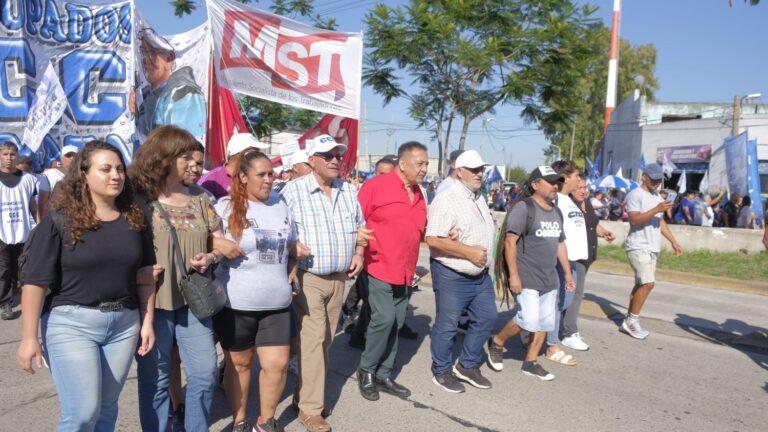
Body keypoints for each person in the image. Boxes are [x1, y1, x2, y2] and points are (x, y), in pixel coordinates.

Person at [16, 140, 157, 430]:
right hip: (71, 325)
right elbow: (35, 282)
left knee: (106, 411)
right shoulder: (58, 221)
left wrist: (147, 321)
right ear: (84, 175)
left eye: (119, 168)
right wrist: (29, 338)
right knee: (82, 413)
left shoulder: (135, 219)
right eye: (105, 169)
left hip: (124, 325)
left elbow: (145, 274)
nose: (115, 175)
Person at [131, 126, 226, 431]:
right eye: (186, 158)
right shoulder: (138, 199)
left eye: (196, 161)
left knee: (204, 373)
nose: (195, 166)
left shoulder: (200, 198)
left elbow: (218, 241)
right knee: (155, 380)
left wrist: (210, 257)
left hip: (194, 302)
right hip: (152, 303)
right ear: (164, 157)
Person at [280, 134, 365, 432]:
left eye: (337, 155)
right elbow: (281, 231)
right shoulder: (293, 191)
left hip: (339, 278)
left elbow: (360, 227)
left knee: (325, 341)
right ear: (311, 160)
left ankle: (304, 397)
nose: (334, 160)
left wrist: (359, 252)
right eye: (326, 155)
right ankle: (311, 410)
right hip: (309, 277)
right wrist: (291, 251)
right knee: (315, 340)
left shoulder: (348, 190)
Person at [213, 150, 297, 432]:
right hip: (237, 304)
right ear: (243, 177)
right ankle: (239, 422)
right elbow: (209, 243)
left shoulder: (281, 205)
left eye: (270, 173)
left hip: (277, 304)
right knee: (240, 367)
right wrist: (217, 245)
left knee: (277, 365)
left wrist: (294, 267)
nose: (268, 179)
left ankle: (266, 422)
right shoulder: (224, 207)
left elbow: (291, 247)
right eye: (261, 174)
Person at [355, 142, 428, 401]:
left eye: (426, 164)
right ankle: (366, 371)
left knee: (396, 322)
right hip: (378, 264)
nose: (424, 169)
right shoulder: (375, 187)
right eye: (420, 163)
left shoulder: (419, 194)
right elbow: (355, 221)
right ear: (403, 163)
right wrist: (357, 252)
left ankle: (384, 374)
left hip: (405, 270)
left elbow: (419, 230)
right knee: (384, 318)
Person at [487, 166, 574, 381]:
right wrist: (513, 276)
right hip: (526, 277)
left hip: (549, 278)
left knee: (545, 323)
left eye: (557, 182)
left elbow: (560, 244)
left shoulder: (556, 211)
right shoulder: (524, 208)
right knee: (528, 319)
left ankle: (530, 362)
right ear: (535, 184)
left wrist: (568, 274)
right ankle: (497, 341)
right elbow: (510, 241)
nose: (556, 186)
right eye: (550, 182)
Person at [425, 150, 498, 393]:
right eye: (474, 169)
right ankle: (442, 370)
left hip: (479, 275)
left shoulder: (476, 196)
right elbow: (433, 239)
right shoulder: (447, 197)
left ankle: (467, 365)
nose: (480, 173)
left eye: (481, 169)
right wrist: (468, 251)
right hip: (452, 274)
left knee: (487, 317)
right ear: (460, 171)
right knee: (447, 325)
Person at [622, 163, 683, 340]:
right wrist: (656, 209)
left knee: (641, 284)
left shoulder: (657, 196)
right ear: (645, 177)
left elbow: (660, 222)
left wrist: (674, 241)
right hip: (638, 245)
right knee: (648, 283)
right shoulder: (635, 195)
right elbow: (634, 219)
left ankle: (628, 320)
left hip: (652, 246)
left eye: (659, 179)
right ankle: (632, 321)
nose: (657, 182)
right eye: (654, 179)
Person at [561, 176, 615, 351]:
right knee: (576, 295)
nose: (583, 191)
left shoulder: (587, 203)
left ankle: (561, 328)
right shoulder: (568, 205)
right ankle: (569, 332)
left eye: (585, 187)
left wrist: (604, 232)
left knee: (571, 295)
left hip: (588, 255)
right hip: (575, 257)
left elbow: (594, 224)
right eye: (579, 188)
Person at [544, 160, 588, 366]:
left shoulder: (569, 200)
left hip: (573, 262)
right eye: (576, 176)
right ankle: (552, 345)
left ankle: (541, 337)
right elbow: (556, 237)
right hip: (561, 263)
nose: (579, 180)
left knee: (564, 303)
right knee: (555, 304)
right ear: (565, 178)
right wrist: (564, 268)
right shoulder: (556, 202)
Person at [134, 28, 207, 142]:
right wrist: (135, 114)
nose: (145, 60)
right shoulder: (146, 97)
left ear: (169, 58)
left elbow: (185, 144)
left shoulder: (184, 94)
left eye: (151, 53)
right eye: (142, 53)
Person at [0, 141, 38, 320]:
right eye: (5, 154)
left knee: (23, 269)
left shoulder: (28, 180)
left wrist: (39, 226)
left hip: (23, 232)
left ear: (17, 156)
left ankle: (30, 300)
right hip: (2, 233)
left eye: (12, 154)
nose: (9, 158)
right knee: (3, 270)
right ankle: (5, 303)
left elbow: (33, 206)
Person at [198, 133, 270, 199]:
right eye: (255, 154)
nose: (258, 158)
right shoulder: (210, 179)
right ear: (241, 154)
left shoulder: (252, 177)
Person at [16, 155, 51, 222]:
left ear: (31, 169)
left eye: (23, 171)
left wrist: (40, 222)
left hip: (38, 219)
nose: (21, 174)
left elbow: (44, 202)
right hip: (21, 220)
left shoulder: (42, 179)